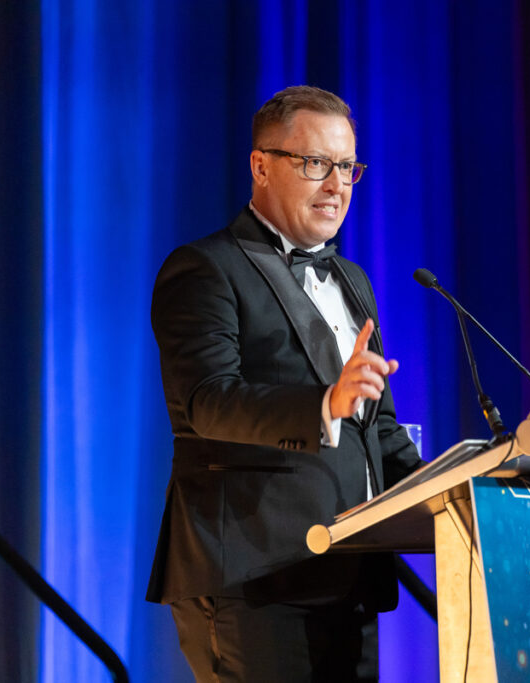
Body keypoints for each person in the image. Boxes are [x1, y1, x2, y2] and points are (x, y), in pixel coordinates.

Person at [146, 85, 424, 682]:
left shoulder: (352, 278)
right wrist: (326, 402)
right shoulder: (204, 269)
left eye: (347, 167)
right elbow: (208, 402)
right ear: (261, 166)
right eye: (315, 163)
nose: (336, 185)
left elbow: (381, 430)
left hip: (349, 574)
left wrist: (467, 489)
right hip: (253, 578)